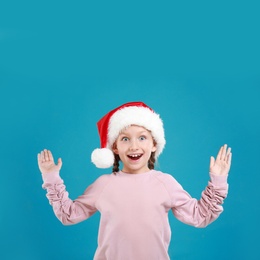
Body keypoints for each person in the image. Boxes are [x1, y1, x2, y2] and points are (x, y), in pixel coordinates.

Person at [38, 101, 232, 260]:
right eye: (125, 139)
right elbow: (69, 214)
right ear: (114, 148)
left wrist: (218, 180)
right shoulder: (104, 184)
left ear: (154, 144)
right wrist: (51, 178)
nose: (134, 146)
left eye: (142, 138)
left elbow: (200, 216)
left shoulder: (166, 183)